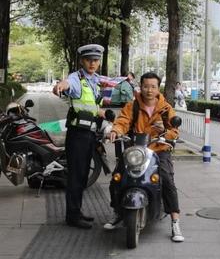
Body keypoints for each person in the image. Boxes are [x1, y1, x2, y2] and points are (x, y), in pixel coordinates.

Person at [105, 72, 185, 242]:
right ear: (140, 87)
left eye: (153, 87)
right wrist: (115, 131)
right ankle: (118, 212)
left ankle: (175, 220)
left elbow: (174, 130)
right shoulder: (132, 106)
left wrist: (165, 131)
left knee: (166, 179)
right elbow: (123, 121)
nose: (149, 90)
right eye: (146, 86)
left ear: (158, 88)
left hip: (158, 149)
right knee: (117, 178)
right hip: (135, 150)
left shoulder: (166, 108)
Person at [53, 44, 107, 229]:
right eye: (88, 60)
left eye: (95, 60)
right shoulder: (76, 78)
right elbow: (67, 84)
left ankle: (77, 211)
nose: (92, 63)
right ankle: (72, 216)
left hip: (90, 134)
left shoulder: (95, 80)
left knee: (83, 175)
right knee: (76, 176)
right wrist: (61, 85)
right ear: (82, 61)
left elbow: (91, 106)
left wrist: (106, 115)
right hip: (78, 136)